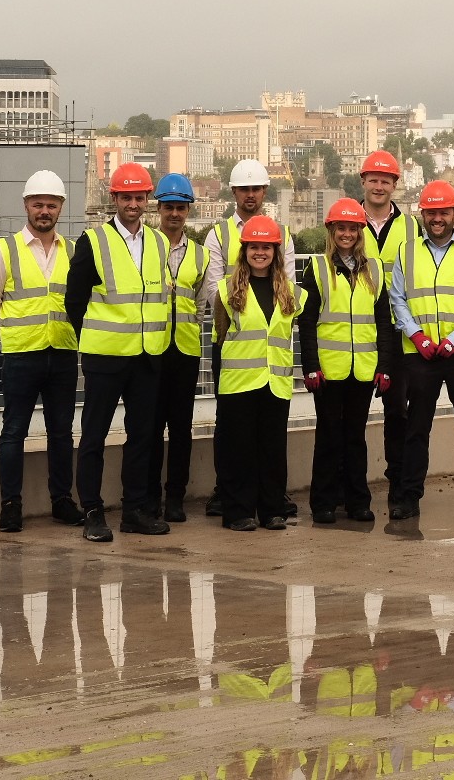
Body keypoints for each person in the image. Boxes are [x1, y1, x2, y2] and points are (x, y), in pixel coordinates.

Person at [65, 162, 171, 542]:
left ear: (147, 199)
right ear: (115, 199)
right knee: (93, 436)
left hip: (146, 356)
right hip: (105, 357)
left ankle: (134, 511)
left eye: (139, 196)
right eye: (126, 196)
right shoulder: (92, 242)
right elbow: (73, 301)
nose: (133, 202)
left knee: (143, 436)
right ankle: (92, 512)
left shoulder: (159, 243)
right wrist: (94, 338)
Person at [0, 170, 83, 533]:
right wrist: (14, 336)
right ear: (26, 205)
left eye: (51, 205)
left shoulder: (72, 251)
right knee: (14, 432)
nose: (44, 211)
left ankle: (62, 501)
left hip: (63, 353)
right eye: (38, 204)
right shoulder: (3, 251)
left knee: (61, 432)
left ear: (60, 208)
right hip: (22, 356)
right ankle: (11, 505)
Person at [388, 180, 454, 522]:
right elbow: (398, 299)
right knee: (416, 428)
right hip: (419, 354)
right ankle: (409, 497)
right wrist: (417, 336)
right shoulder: (406, 252)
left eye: (443, 212)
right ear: (422, 214)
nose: (437, 218)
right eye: (431, 212)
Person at [202, 159, 297, 519]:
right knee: (230, 426)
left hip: (269, 345)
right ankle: (227, 493)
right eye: (244, 189)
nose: (251, 195)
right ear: (234, 192)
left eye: (256, 188)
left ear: (264, 192)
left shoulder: (282, 235)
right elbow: (213, 288)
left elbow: (284, 285)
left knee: (268, 433)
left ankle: (267, 498)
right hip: (231, 337)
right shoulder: (219, 234)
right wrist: (236, 301)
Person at [299, 198, 392, 525]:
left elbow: (384, 322)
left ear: (360, 231)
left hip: (364, 369)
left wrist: (384, 367)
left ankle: (357, 502)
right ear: (331, 230)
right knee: (327, 436)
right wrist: (310, 364)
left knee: (355, 437)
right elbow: (306, 321)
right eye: (342, 227)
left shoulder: (375, 270)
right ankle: (322, 503)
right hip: (328, 369)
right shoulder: (318, 268)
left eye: (353, 228)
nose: (347, 233)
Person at [214, 216, 305, 531]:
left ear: (276, 252)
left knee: (272, 450)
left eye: (266, 247)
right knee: (238, 451)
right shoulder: (227, 291)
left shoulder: (291, 294)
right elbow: (220, 336)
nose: (260, 253)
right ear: (245, 251)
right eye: (254, 247)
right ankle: (238, 512)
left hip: (276, 383)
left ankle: (271, 510)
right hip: (238, 384)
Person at [355, 150, 422, 508]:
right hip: (357, 332)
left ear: (395, 185)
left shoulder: (412, 226)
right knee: (351, 415)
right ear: (363, 181)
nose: (379, 186)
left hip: (397, 333)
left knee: (398, 412)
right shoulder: (347, 220)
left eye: (386, 180)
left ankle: (399, 486)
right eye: (373, 179)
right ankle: (349, 490)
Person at [148, 173, 208, 523]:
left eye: (180, 208)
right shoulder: (146, 248)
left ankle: (175, 498)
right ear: (159, 209)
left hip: (184, 352)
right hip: (152, 350)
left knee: (181, 429)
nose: (174, 214)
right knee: (151, 428)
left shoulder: (200, 256)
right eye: (169, 207)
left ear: (188, 211)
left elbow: (200, 305)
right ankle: (151, 496)